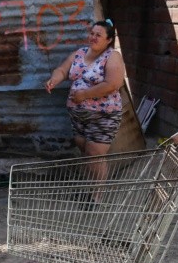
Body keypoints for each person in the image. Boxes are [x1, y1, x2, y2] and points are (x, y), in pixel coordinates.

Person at [45, 19, 126, 163]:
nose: (93, 37)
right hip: (78, 116)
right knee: (86, 153)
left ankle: (98, 186)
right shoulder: (80, 53)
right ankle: (90, 184)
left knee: (94, 153)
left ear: (109, 40)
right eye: (92, 33)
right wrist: (54, 80)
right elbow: (62, 70)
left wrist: (84, 95)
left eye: (98, 35)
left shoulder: (112, 56)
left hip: (103, 115)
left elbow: (113, 84)